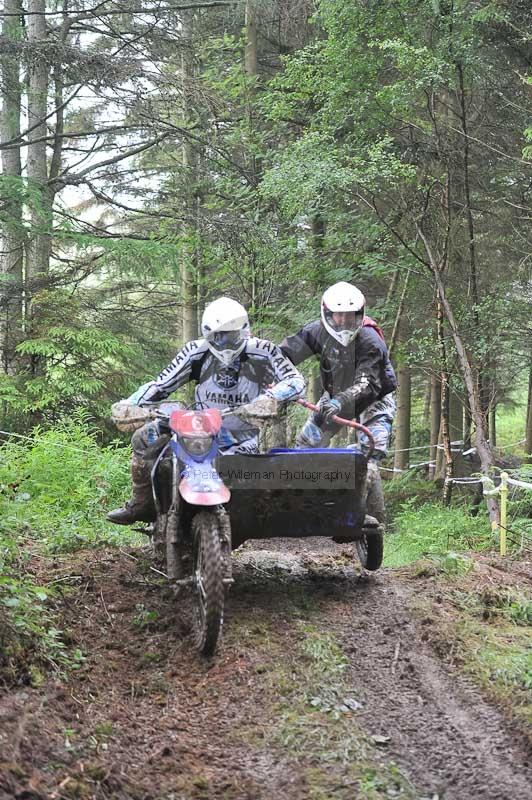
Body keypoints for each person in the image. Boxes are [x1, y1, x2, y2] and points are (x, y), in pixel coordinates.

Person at [108, 296, 305, 525]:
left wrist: (271, 397)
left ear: (244, 330)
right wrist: (130, 404)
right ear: (207, 334)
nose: (226, 344)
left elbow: (295, 380)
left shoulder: (263, 351)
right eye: (218, 337)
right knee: (143, 437)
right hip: (198, 427)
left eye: (232, 336)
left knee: (248, 480)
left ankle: (252, 518)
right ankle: (141, 503)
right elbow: (160, 385)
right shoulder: (195, 352)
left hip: (243, 433)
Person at [279, 281, 397, 521]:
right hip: (335, 395)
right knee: (306, 444)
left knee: (371, 454)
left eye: (350, 316)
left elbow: (368, 384)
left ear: (360, 315)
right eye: (338, 316)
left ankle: (369, 518)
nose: (344, 322)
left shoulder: (370, 341)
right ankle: (299, 504)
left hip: (375, 398)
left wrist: (339, 402)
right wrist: (268, 373)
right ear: (327, 314)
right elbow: (282, 355)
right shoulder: (315, 332)